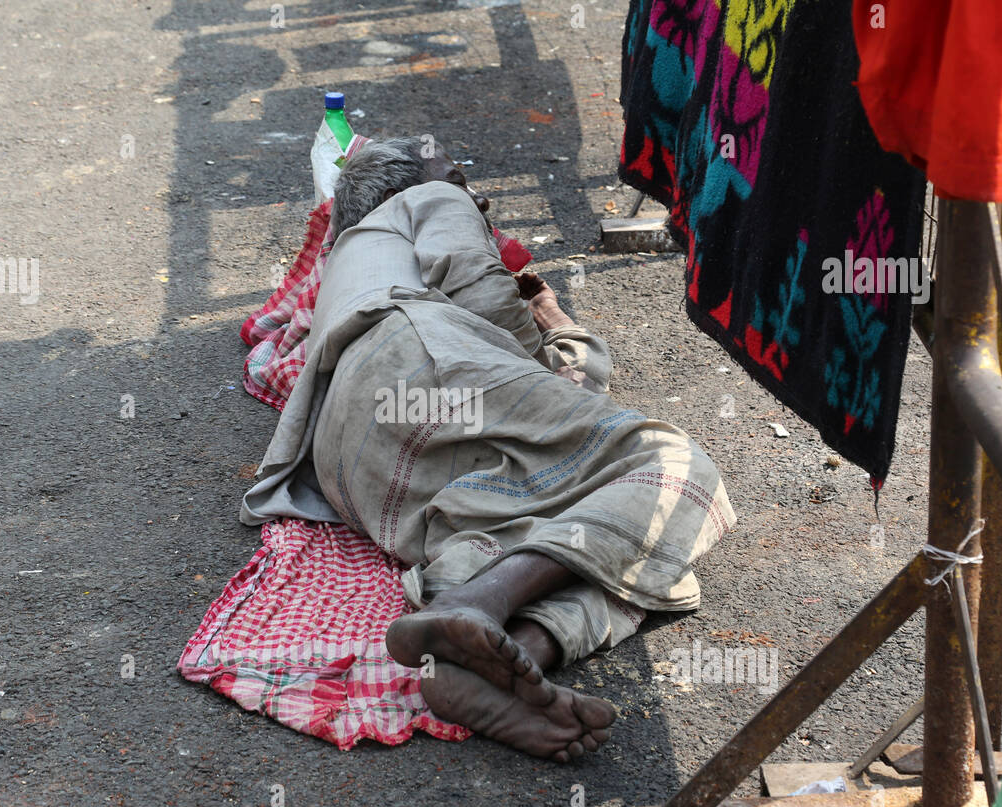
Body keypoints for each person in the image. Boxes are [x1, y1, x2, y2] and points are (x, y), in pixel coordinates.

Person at [242, 136, 736, 761]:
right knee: (670, 469)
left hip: (355, 463)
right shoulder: (424, 200)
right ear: (408, 183)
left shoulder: (349, 258)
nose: (474, 190)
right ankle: (475, 602)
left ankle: (509, 658)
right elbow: (491, 302)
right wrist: (560, 330)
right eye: (458, 172)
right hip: (423, 368)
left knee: (629, 555)